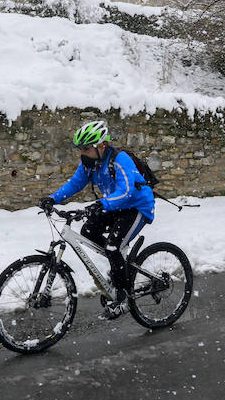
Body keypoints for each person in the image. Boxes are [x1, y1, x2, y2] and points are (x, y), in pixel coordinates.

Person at [39, 120, 155, 317]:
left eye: (86, 148)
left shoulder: (120, 159)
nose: (82, 153)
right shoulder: (90, 164)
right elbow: (75, 184)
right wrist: (53, 198)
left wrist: (101, 204)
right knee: (88, 231)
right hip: (114, 206)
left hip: (137, 207)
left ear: (101, 146)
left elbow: (125, 191)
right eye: (80, 149)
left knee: (112, 246)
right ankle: (120, 267)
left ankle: (123, 297)